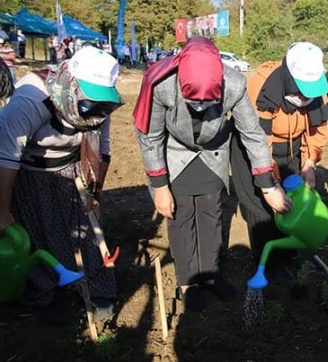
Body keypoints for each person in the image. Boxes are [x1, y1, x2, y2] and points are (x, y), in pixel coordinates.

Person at [133, 37, 287, 312]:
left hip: (213, 152)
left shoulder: (234, 84)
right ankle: (188, 283)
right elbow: (151, 135)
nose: (201, 107)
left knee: (210, 213)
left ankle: (211, 273)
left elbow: (252, 133)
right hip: (175, 152)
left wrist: (267, 186)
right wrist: (159, 185)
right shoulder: (162, 83)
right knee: (181, 217)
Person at [0, 46, 124, 325]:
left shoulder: (101, 105)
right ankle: (45, 294)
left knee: (89, 236)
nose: (95, 112)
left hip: (72, 170)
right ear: (71, 84)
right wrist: (2, 211)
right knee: (38, 236)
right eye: (88, 103)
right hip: (27, 176)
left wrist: (96, 195)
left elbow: (101, 149)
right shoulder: (31, 99)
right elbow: (6, 157)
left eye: (101, 105)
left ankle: (99, 293)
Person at [231, 42, 328, 281]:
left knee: (291, 202)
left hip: (290, 149)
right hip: (253, 150)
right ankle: (270, 265)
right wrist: (269, 185)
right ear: (289, 76)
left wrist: (309, 162)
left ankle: (290, 255)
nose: (306, 97)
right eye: (301, 90)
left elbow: (318, 130)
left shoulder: (318, 91)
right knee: (264, 208)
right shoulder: (262, 86)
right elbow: (257, 140)